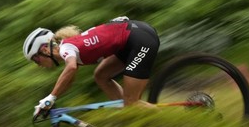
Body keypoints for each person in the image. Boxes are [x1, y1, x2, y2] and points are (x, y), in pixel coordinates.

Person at [23, 16, 160, 116]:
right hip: (131, 38)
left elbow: (71, 68)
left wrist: (50, 98)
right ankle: (127, 113)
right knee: (101, 76)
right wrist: (53, 98)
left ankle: (167, 118)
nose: (38, 65)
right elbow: (69, 80)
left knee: (132, 102)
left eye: (36, 59)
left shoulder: (66, 48)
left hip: (140, 41)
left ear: (45, 50)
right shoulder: (69, 46)